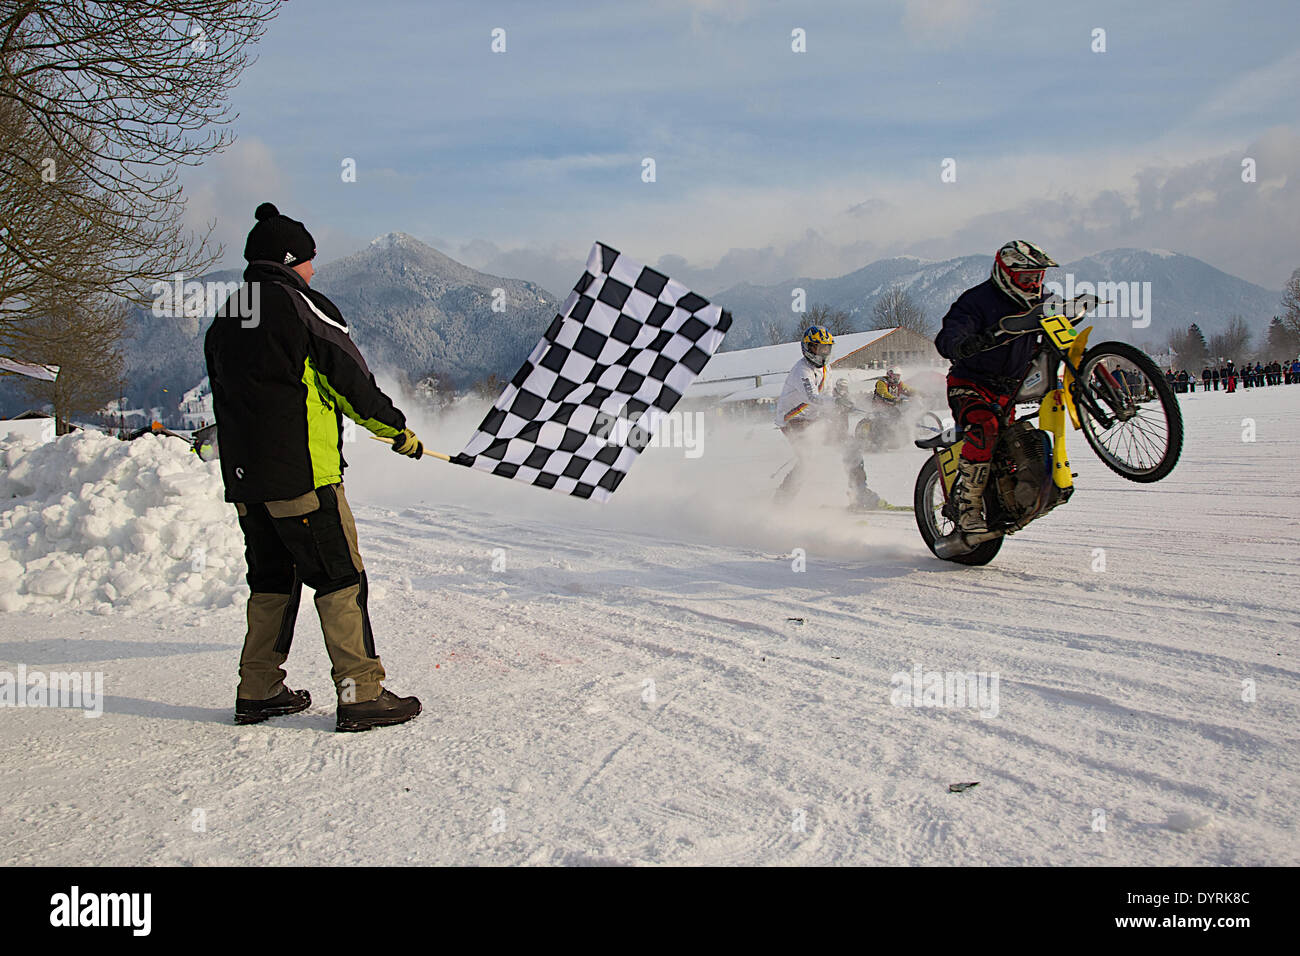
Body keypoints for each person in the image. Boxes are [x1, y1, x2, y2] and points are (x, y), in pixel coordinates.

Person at [205, 203, 425, 733]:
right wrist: (396, 431)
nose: (313, 269)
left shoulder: (227, 317)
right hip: (303, 476)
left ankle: (257, 690)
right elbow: (348, 380)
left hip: (246, 481)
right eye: (309, 260)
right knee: (340, 579)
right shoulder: (301, 306)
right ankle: (361, 694)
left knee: (271, 582)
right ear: (291, 260)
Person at [934, 239, 1057, 534]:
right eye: (1026, 278)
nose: (1032, 284)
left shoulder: (1042, 304)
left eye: (1037, 278)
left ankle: (1016, 496)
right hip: (971, 383)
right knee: (984, 427)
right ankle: (969, 506)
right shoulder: (976, 301)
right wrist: (964, 342)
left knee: (1015, 442)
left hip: (1010, 390)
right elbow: (948, 336)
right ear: (1006, 274)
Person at [774, 325, 878, 510]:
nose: (823, 352)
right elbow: (812, 397)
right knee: (808, 460)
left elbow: (827, 394)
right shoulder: (801, 371)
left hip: (814, 418)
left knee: (850, 446)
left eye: (826, 348)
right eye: (819, 348)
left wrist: (837, 411)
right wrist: (835, 403)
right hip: (793, 420)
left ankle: (860, 492)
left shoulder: (825, 369)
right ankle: (781, 500)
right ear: (808, 348)